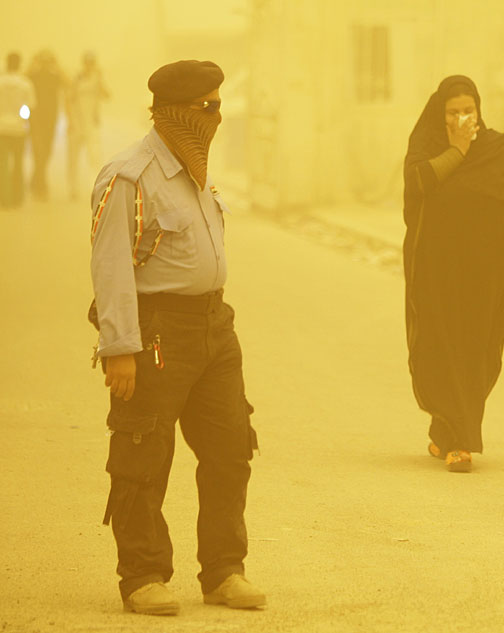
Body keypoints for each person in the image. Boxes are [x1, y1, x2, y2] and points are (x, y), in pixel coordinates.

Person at [89, 60, 264, 615]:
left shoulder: (197, 171)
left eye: (219, 104)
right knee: (143, 454)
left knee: (230, 450)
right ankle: (143, 576)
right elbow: (111, 267)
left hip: (215, 326)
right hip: (157, 330)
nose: (218, 116)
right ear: (175, 113)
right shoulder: (129, 177)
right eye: (208, 107)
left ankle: (224, 571)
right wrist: (120, 348)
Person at [402, 75, 504, 472]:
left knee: (476, 352)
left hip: (486, 275)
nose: (462, 118)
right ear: (440, 114)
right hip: (438, 274)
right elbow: (419, 182)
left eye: (468, 110)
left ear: (479, 110)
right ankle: (460, 443)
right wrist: (457, 150)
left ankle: (447, 431)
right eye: (453, 112)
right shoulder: (427, 147)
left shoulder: (497, 148)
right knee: (441, 348)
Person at [27, 49, 67, 201]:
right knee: (38, 149)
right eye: (42, 61)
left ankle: (36, 178)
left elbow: (68, 82)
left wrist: (56, 65)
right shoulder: (33, 75)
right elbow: (23, 77)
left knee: (47, 150)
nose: (44, 64)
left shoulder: (54, 76)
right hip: (35, 117)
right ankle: (41, 184)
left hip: (51, 118)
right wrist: (33, 63)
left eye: (47, 61)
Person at [68, 51, 109, 199]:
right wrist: (70, 121)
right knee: (73, 158)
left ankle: (95, 187)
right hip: (77, 123)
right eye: (87, 63)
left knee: (94, 157)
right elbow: (69, 99)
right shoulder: (76, 78)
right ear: (83, 63)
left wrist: (100, 79)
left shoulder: (97, 79)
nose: (89, 66)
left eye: (92, 63)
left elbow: (107, 95)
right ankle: (73, 188)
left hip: (91, 124)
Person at [0, 51, 35, 208]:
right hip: (19, 128)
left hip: (2, 128)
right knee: (18, 163)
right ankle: (17, 198)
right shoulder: (25, 84)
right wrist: (23, 117)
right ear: (19, 64)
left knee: (3, 164)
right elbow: (31, 105)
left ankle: (4, 198)